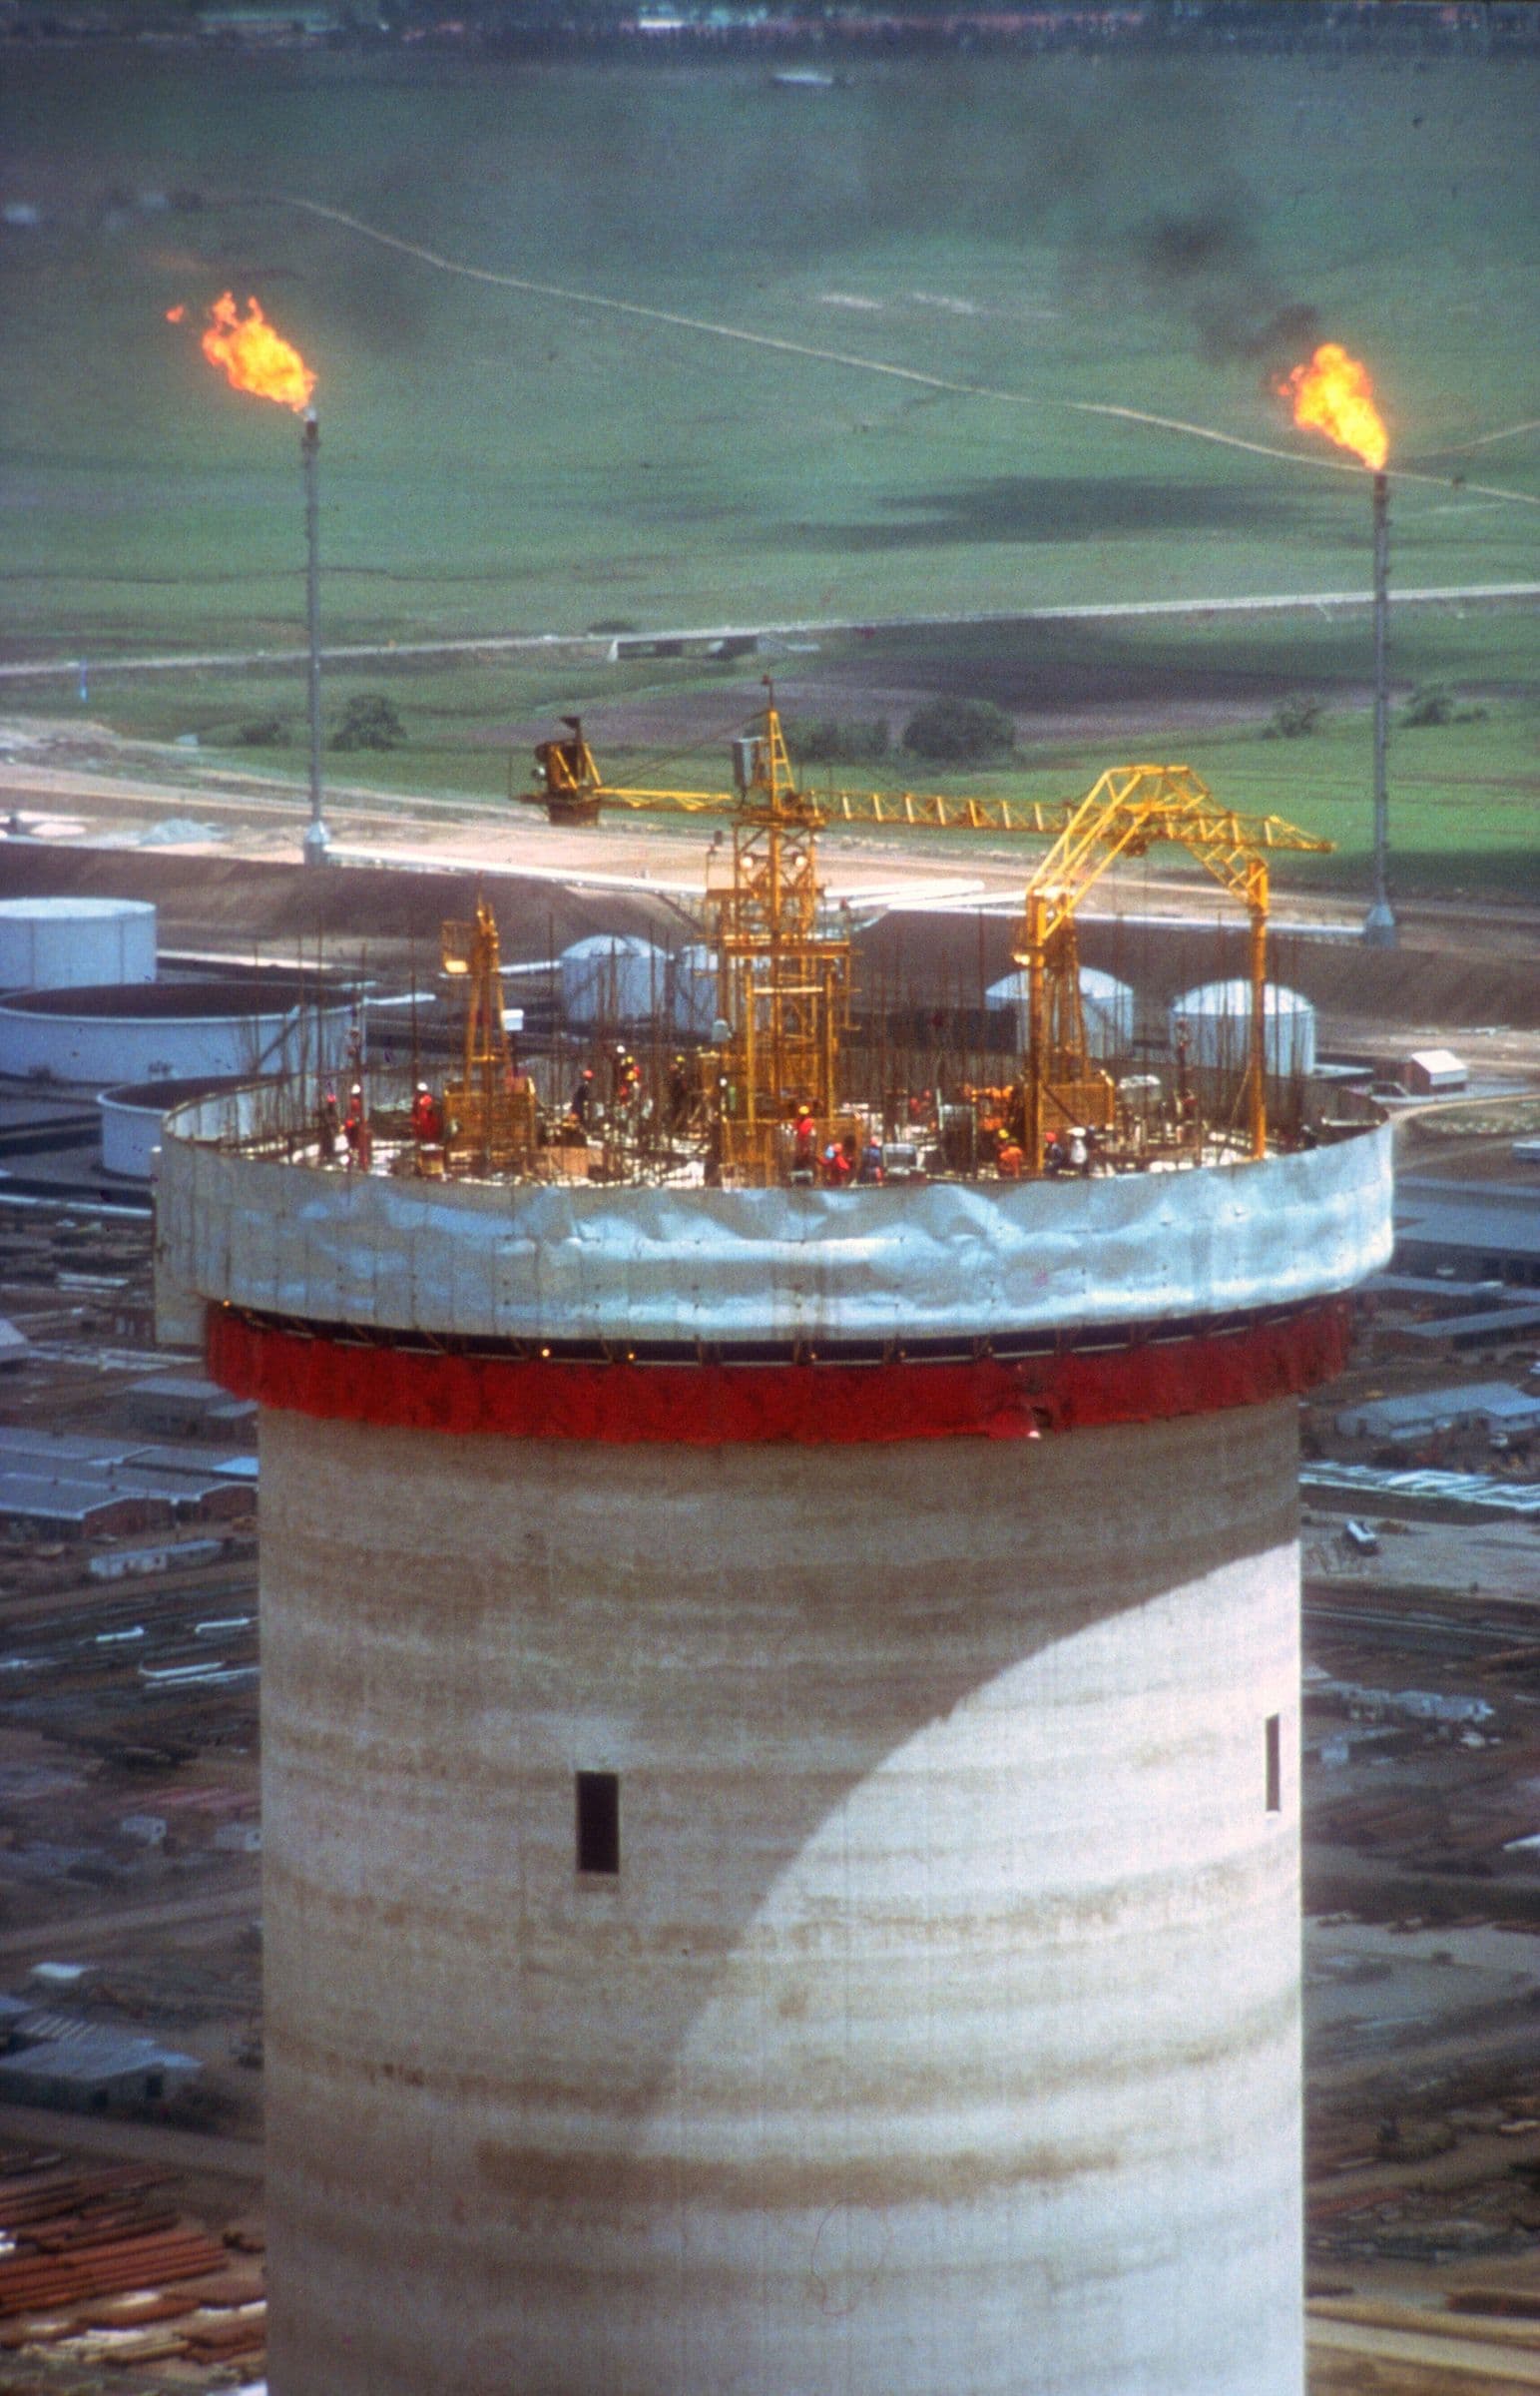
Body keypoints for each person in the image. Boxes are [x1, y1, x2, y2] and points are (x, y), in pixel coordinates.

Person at [342, 1083, 372, 1172]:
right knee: (360, 1148)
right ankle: (361, 1166)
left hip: (357, 1129)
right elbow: (355, 1117)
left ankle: (357, 1164)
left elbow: (357, 1117)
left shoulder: (355, 1103)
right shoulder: (355, 1103)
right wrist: (354, 1122)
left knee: (357, 1148)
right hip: (356, 1131)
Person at [792, 1103, 818, 1178]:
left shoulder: (809, 1122)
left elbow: (810, 1134)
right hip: (799, 1144)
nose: (803, 1116)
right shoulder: (797, 1122)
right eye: (802, 1114)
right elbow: (795, 1131)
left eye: (804, 1114)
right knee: (800, 1159)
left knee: (807, 1159)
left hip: (807, 1144)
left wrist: (807, 1148)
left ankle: (809, 1174)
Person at [317, 1085, 340, 1161]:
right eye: (331, 1103)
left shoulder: (333, 1112)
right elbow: (321, 1114)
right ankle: (325, 1156)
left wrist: (336, 1127)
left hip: (330, 1132)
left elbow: (336, 1121)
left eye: (332, 1103)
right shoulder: (326, 1111)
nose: (332, 1104)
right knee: (325, 1144)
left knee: (330, 1143)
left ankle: (329, 1156)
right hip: (327, 1132)